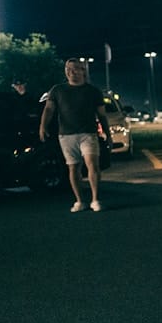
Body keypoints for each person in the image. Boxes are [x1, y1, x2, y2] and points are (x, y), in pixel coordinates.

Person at [40, 58, 110, 213]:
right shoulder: (57, 90)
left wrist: (107, 133)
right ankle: (79, 201)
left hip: (88, 133)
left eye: (75, 69)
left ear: (83, 71)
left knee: (92, 163)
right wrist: (43, 126)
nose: (71, 72)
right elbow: (49, 109)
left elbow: (102, 115)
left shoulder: (93, 91)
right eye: (68, 69)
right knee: (73, 167)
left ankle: (95, 199)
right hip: (66, 134)